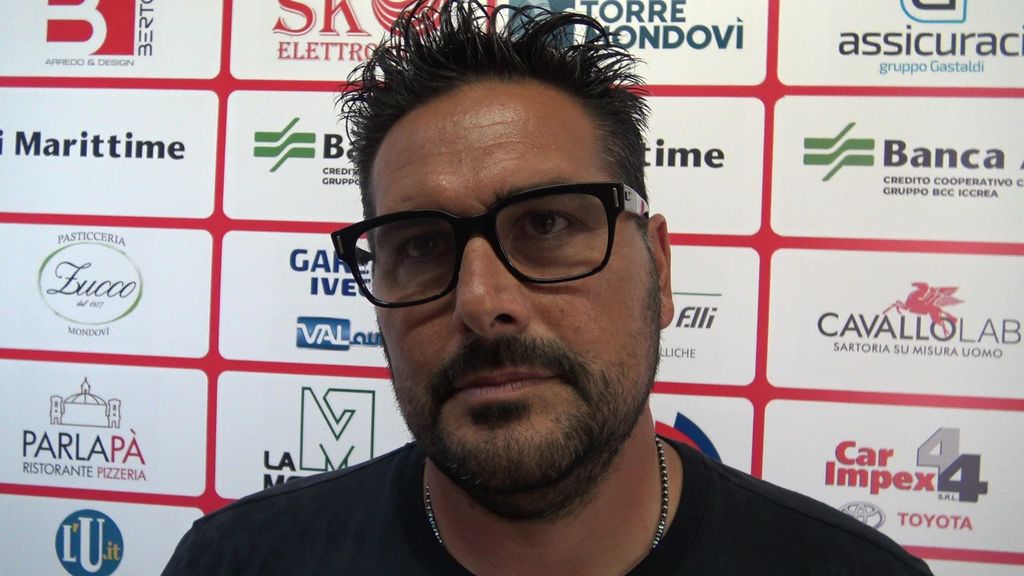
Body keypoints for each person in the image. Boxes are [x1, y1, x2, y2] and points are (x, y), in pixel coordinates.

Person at [162, 1, 934, 574]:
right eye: (422, 246)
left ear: (660, 270)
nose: (480, 301)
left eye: (548, 225)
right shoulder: (238, 561)